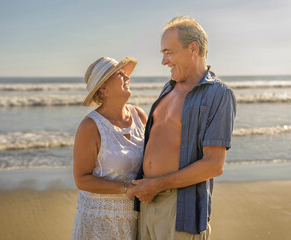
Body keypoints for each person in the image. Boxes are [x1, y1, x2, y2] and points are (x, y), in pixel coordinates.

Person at [128, 16, 237, 240]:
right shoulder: (168, 89)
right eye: (162, 54)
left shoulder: (219, 95)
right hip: (147, 203)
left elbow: (214, 165)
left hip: (180, 208)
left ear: (193, 48)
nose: (164, 61)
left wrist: (156, 185)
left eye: (169, 52)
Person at [71, 56, 147, 240]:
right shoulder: (90, 126)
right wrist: (127, 188)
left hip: (136, 217)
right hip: (99, 221)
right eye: (120, 74)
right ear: (103, 88)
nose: (127, 77)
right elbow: (82, 180)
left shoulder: (139, 115)